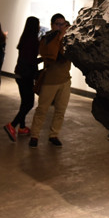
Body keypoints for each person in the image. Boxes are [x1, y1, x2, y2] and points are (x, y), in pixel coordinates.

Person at [29, 14, 71, 148]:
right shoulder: (46, 39)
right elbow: (51, 55)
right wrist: (60, 36)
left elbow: (68, 54)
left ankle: (54, 134)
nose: (61, 27)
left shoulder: (67, 39)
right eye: (58, 24)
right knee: (42, 109)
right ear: (52, 25)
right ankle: (34, 135)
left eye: (63, 24)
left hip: (65, 79)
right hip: (50, 80)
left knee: (60, 110)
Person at [4, 16, 41, 142]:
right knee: (29, 103)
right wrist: (43, 59)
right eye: (38, 25)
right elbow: (31, 61)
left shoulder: (24, 38)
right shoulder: (33, 40)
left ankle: (22, 127)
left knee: (24, 102)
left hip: (20, 74)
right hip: (26, 75)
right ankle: (12, 125)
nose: (39, 27)